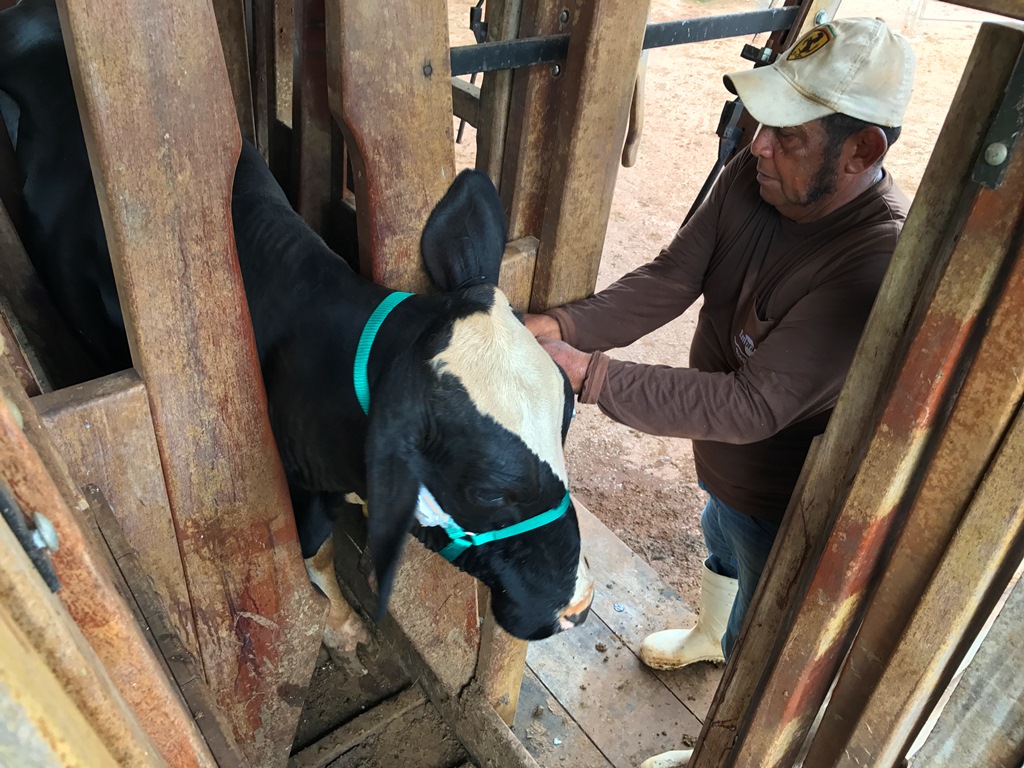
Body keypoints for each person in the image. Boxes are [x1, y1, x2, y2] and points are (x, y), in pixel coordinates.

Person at [526, 17, 915, 767]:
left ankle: (726, 741)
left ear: (862, 149)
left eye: (791, 133)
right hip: (728, 472)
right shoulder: (756, 177)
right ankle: (707, 636)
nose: (759, 142)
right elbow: (673, 277)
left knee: (762, 636)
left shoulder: (871, 262)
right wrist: (558, 321)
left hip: (784, 497)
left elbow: (751, 406)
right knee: (718, 542)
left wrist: (588, 373)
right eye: (763, 121)